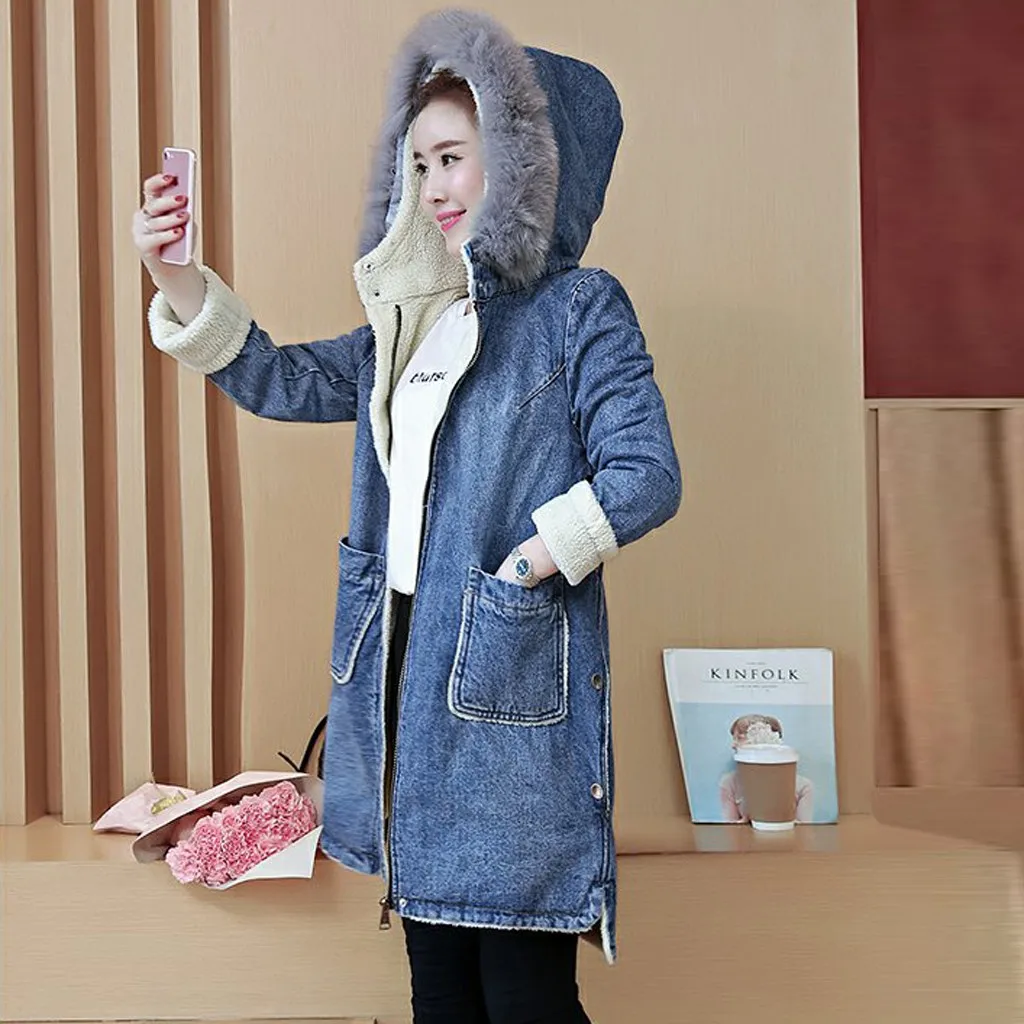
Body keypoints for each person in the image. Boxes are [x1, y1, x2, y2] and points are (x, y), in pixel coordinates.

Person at [133, 9, 680, 1022]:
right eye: (419, 163)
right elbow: (278, 379)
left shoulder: (578, 310)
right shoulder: (407, 326)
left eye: (455, 158)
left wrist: (526, 567)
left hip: (506, 680)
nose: (432, 186)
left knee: (521, 992)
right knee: (438, 987)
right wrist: (174, 271)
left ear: (527, 167)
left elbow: (645, 472)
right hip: (399, 682)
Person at [718, 714, 814, 822]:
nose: (733, 745)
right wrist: (744, 824)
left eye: (739, 738)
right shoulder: (729, 783)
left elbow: (805, 828)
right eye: (734, 738)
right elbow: (729, 828)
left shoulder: (803, 787)